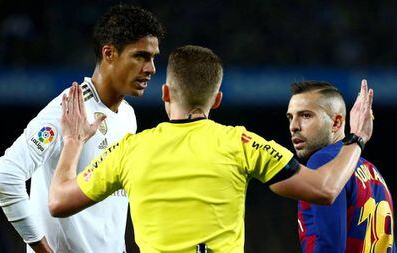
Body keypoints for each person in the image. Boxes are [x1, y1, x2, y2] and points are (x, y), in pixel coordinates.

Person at [48, 45, 373, 253]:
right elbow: (325, 188)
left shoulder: (129, 151)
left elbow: (59, 200)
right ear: (216, 100)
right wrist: (356, 138)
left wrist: (74, 142)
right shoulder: (241, 143)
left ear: (165, 93)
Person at [0, 4, 165, 253]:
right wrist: (41, 249)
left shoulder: (127, 116)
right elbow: (4, 177)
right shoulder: (67, 111)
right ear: (109, 53)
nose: (151, 69)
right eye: (141, 56)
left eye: (153, 58)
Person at [286, 81, 395, 253]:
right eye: (290, 117)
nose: (294, 126)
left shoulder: (322, 161)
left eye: (306, 115)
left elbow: (330, 246)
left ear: (336, 123)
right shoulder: (372, 171)